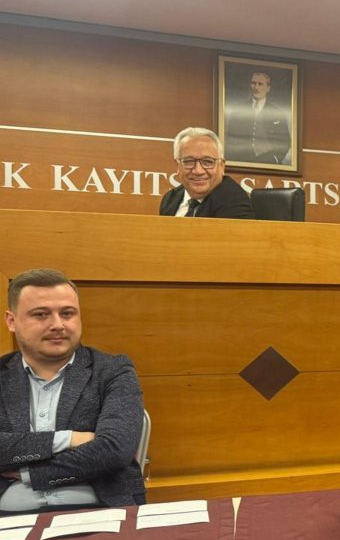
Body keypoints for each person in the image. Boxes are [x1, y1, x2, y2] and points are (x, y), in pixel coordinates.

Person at [0, 269, 146, 512]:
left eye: (67, 313)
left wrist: (29, 473)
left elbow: (114, 449)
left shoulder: (113, 371)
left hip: (100, 508)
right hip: (7, 516)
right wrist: (68, 439)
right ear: (11, 321)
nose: (57, 325)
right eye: (41, 315)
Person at [158, 127, 254, 219]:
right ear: (178, 166)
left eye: (208, 162)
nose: (198, 171)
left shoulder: (235, 202)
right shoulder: (170, 199)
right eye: (189, 161)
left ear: (222, 166)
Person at [224, 70, 291, 165]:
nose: (256, 87)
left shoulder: (278, 114)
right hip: (241, 160)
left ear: (268, 88)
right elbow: (230, 139)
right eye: (253, 83)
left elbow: (285, 141)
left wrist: (276, 158)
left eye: (260, 84)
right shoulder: (238, 110)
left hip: (268, 160)